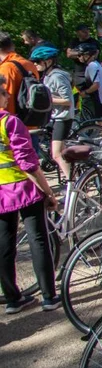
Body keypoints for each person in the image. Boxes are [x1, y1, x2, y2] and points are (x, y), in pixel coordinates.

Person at [0, 74, 61, 314]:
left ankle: (13, 299)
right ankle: (49, 296)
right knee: (38, 240)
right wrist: (48, 192)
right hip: (24, 189)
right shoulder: (10, 123)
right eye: (4, 93)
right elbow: (28, 164)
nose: (8, 96)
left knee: (4, 244)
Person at [29, 46, 74, 180]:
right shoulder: (48, 76)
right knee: (63, 153)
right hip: (55, 117)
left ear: (48, 61)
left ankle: (74, 185)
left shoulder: (57, 76)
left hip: (63, 117)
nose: (35, 65)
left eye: (37, 62)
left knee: (56, 154)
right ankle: (73, 177)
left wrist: (46, 100)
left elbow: (68, 100)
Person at [0, 31, 39, 109]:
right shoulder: (28, 63)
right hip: (30, 117)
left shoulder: (7, 68)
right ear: (12, 46)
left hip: (11, 119)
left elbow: (5, 103)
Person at [75, 43, 102, 122]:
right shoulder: (95, 63)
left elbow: (96, 85)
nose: (79, 57)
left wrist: (85, 92)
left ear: (87, 56)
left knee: (101, 122)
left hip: (100, 96)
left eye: (80, 55)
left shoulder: (92, 66)